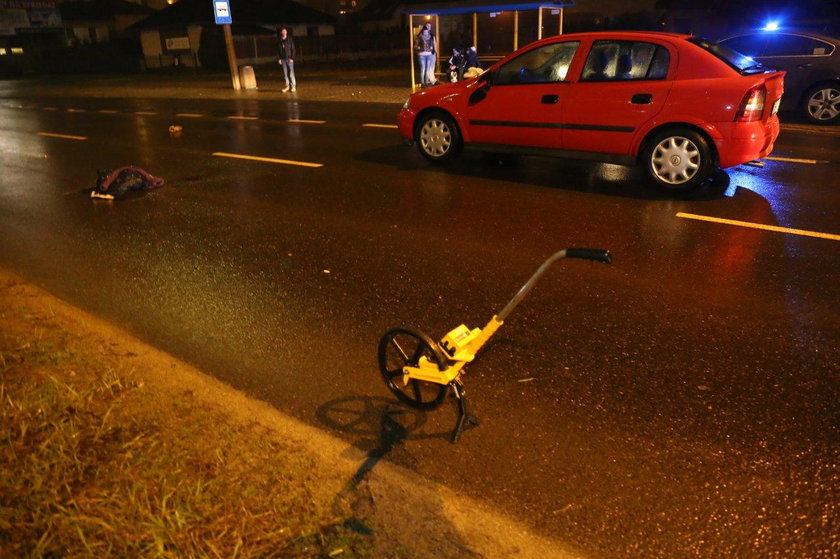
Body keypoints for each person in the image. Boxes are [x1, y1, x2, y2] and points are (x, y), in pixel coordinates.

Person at [415, 22, 437, 87]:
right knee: (423, 68)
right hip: (422, 54)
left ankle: (427, 82)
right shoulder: (419, 37)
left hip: (429, 54)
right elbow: (415, 45)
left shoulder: (431, 36)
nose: (426, 32)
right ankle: (422, 82)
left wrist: (434, 51)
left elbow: (434, 44)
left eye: (427, 31)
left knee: (428, 68)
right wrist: (418, 48)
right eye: (425, 31)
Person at [277, 27, 296, 92]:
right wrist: (279, 59)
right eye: (283, 31)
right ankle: (287, 86)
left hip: (289, 59)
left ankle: (293, 87)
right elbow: (278, 51)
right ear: (281, 33)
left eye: (285, 31)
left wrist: (292, 58)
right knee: (285, 74)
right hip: (283, 60)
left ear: (286, 32)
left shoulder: (289, 39)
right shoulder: (279, 40)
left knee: (291, 73)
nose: (284, 32)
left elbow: (293, 49)